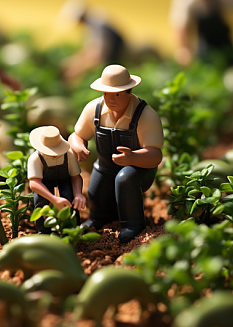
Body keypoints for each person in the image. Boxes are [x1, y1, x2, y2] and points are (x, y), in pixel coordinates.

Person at [68, 64, 164, 243]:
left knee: (125, 178)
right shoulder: (94, 109)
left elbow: (155, 156)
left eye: (117, 94)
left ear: (129, 91)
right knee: (96, 189)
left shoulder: (146, 116)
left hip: (139, 169)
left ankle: (133, 224)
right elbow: (77, 135)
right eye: (106, 94)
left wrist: (133, 158)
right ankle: (98, 217)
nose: (110, 99)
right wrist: (78, 145)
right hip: (105, 166)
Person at [169, 0, 233, 67]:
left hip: (225, 41)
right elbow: (181, 26)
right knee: (207, 66)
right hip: (205, 44)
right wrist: (184, 49)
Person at [28, 126, 86, 234]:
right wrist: (53, 199)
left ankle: (70, 230)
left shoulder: (68, 154)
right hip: (44, 182)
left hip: (64, 180)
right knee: (40, 202)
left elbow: (75, 177)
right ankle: (44, 231)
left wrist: (78, 194)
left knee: (69, 198)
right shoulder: (35, 158)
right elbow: (34, 183)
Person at [57, 0, 125, 82]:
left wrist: (78, 69)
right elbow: (88, 48)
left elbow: (99, 55)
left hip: (117, 61)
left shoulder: (99, 25)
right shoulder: (92, 24)